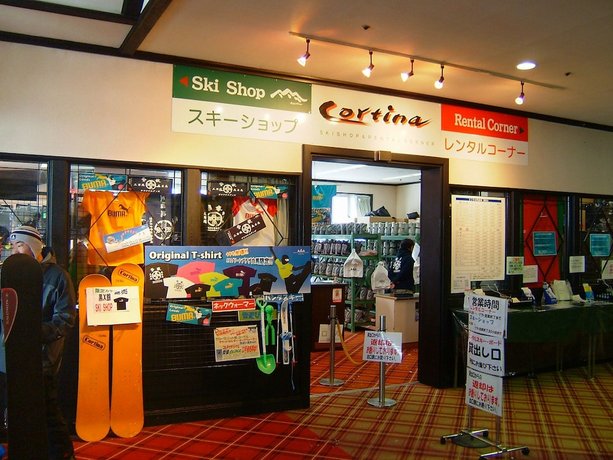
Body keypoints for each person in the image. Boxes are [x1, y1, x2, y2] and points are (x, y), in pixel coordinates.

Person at [8, 225, 76, 460]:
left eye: (20, 245)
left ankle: (63, 454)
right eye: (12, 246)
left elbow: (65, 319)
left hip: (44, 358)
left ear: (34, 247)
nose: (15, 251)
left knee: (48, 410)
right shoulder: (10, 275)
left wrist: (32, 333)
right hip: (14, 356)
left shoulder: (58, 276)